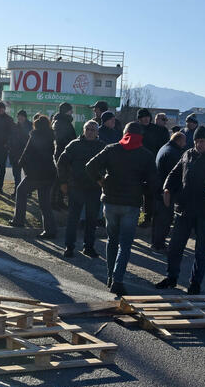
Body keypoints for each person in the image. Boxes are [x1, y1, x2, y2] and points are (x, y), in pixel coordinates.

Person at [155, 127, 205, 294]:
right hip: (185, 208)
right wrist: (167, 188)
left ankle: (195, 283)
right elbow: (174, 174)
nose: (198, 144)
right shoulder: (188, 154)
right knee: (176, 245)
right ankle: (171, 277)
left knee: (202, 249)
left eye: (202, 141)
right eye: (196, 141)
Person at [85, 122, 157, 294]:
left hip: (110, 201)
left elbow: (90, 166)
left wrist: (100, 180)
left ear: (124, 133)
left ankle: (110, 276)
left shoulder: (112, 149)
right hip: (131, 205)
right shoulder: (146, 155)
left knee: (112, 241)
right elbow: (154, 183)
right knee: (125, 244)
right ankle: (117, 280)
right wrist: (142, 190)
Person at [56, 119, 105, 258]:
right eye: (87, 129)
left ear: (97, 132)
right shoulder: (74, 145)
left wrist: (104, 180)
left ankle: (88, 247)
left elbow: (110, 164)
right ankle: (69, 247)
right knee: (73, 219)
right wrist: (63, 182)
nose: (90, 132)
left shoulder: (102, 146)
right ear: (83, 130)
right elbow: (61, 163)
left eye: (93, 130)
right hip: (76, 187)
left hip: (94, 188)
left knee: (92, 220)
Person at [10, 115, 57, 238]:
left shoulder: (35, 136)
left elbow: (27, 153)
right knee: (45, 203)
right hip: (49, 174)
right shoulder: (51, 137)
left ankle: (18, 220)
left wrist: (20, 163)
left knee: (21, 191)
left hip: (36, 174)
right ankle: (50, 230)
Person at [151, 132, 187, 252]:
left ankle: (156, 242)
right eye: (184, 141)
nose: (185, 144)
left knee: (158, 219)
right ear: (179, 141)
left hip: (159, 189)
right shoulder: (173, 154)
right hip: (166, 191)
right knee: (164, 219)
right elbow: (173, 175)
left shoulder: (165, 148)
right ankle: (158, 245)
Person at [51, 103, 77, 209]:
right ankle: (53, 202)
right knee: (58, 179)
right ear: (66, 111)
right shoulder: (61, 122)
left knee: (63, 178)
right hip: (62, 153)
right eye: (70, 110)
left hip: (64, 152)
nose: (72, 112)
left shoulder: (63, 121)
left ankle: (59, 201)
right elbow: (61, 139)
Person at [8, 109, 32, 195]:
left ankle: (28, 191)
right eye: (19, 116)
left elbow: (32, 140)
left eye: (22, 116)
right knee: (16, 175)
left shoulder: (30, 126)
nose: (20, 118)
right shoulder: (14, 126)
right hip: (15, 154)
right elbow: (10, 138)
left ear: (25, 117)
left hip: (27, 154)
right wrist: (10, 147)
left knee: (28, 174)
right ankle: (17, 191)